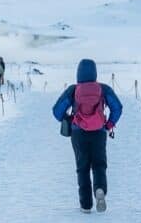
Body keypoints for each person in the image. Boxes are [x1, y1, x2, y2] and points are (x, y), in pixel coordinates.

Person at [51, 59, 123, 214]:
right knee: (99, 164)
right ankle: (100, 189)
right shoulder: (103, 89)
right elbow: (117, 107)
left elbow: (57, 111)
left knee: (82, 167)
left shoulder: (73, 90)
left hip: (78, 133)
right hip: (99, 132)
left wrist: (69, 119)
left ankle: (85, 205)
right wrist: (109, 124)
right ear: (95, 72)